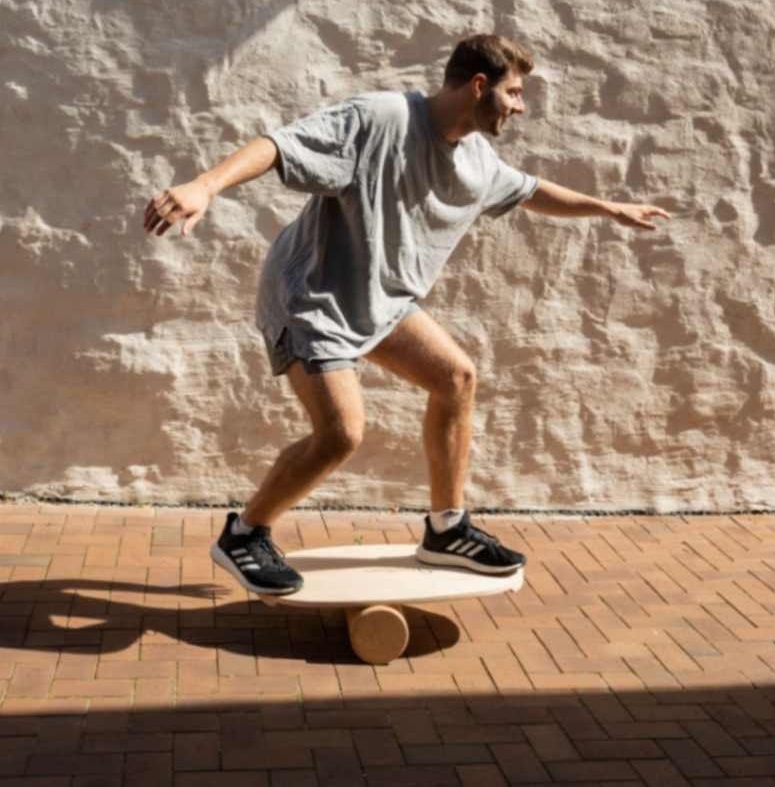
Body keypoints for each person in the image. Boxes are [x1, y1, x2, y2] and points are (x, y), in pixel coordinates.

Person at [144, 34, 669, 595]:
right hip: (311, 297)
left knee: (455, 378)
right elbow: (279, 145)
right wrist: (205, 185)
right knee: (341, 433)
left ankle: (446, 530)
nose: (520, 106)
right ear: (478, 85)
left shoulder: (476, 160)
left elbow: (531, 189)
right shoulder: (383, 118)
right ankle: (245, 534)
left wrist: (608, 209)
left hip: (380, 298)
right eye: (514, 93)